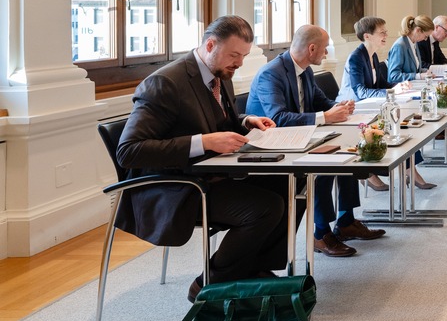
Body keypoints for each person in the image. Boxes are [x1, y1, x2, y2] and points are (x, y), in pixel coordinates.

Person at [116, 15, 284, 302]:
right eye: (234, 55)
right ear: (210, 45)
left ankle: (250, 269)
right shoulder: (165, 83)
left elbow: (216, 121)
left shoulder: (220, 73)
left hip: (212, 174)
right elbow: (129, 151)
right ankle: (209, 284)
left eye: (243, 56)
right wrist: (203, 142)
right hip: (175, 186)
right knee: (266, 207)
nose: (239, 63)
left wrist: (246, 121)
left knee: (287, 184)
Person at [247, 25, 385, 257]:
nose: (327, 53)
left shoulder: (305, 70)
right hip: (273, 147)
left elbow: (322, 102)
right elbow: (277, 118)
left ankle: (346, 221)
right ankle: (320, 234)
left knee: (347, 155)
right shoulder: (271, 73)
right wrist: (325, 116)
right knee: (324, 168)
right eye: (324, 48)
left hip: (302, 138)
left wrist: (340, 107)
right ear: (311, 49)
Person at [341, 16, 431, 191]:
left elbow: (381, 83)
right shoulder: (355, 58)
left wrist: (398, 86)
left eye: (385, 32)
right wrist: (392, 92)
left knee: (401, 127)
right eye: (382, 33)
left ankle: (409, 171)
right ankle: (372, 173)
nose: (386, 36)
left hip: (371, 107)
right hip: (355, 110)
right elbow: (360, 92)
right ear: (367, 36)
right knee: (396, 126)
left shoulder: (372, 56)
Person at [387, 14, 434, 83]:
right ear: (418, 30)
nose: (425, 39)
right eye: (426, 36)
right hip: (401, 87)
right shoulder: (399, 46)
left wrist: (426, 72)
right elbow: (394, 76)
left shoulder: (414, 43)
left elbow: (415, 69)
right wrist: (419, 76)